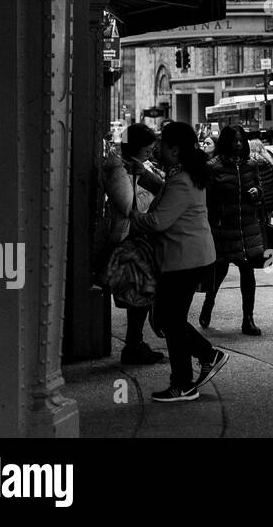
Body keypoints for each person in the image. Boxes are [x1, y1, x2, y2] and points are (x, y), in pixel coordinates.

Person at [125, 121, 230, 403]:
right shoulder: (186, 175)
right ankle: (198, 365)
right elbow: (165, 193)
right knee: (169, 319)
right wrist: (144, 175)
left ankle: (187, 378)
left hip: (185, 258)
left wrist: (131, 217)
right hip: (187, 256)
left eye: (162, 144)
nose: (158, 148)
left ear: (175, 148)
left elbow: (159, 220)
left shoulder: (183, 180)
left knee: (169, 320)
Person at [101, 123, 166, 364]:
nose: (150, 153)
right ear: (135, 147)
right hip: (130, 239)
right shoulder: (118, 168)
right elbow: (127, 205)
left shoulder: (142, 167)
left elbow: (162, 191)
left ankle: (135, 343)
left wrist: (144, 171)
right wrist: (138, 173)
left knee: (142, 293)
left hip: (143, 237)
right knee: (138, 293)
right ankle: (133, 345)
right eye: (147, 150)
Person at [201, 126, 273, 336]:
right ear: (226, 143)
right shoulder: (213, 167)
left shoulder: (251, 165)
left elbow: (261, 191)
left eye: (241, 140)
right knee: (220, 271)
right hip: (224, 227)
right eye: (234, 141)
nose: (238, 144)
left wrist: (257, 193)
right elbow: (206, 200)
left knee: (247, 271)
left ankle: (248, 319)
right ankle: (209, 302)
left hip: (248, 226)